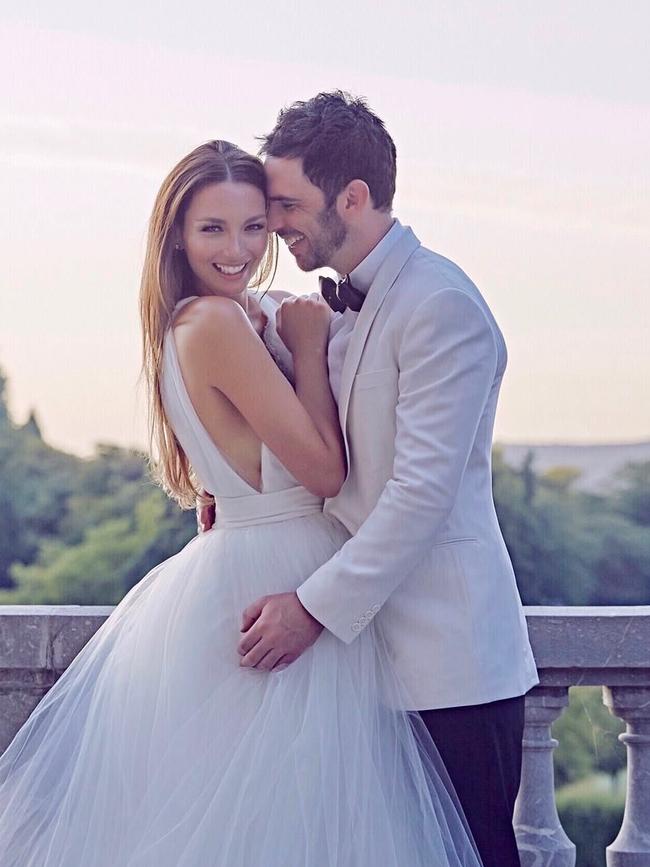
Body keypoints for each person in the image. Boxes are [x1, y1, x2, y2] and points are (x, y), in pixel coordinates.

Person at [0, 140, 482, 867]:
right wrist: (312, 346)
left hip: (254, 559)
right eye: (213, 229)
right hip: (279, 576)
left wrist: (287, 326)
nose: (239, 248)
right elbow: (322, 471)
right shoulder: (217, 325)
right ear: (177, 236)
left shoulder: (231, 316)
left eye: (255, 226)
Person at [218, 92, 540, 867]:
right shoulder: (333, 306)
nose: (277, 222)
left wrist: (310, 609)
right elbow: (320, 442)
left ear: (353, 198)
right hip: (363, 668)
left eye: (288, 204)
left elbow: (420, 495)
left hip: (449, 663)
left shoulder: (442, 305)